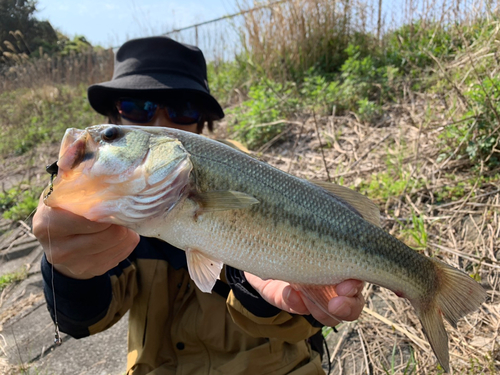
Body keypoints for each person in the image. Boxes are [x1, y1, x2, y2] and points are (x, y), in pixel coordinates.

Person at [32, 36, 365, 375]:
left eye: (181, 108)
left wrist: (255, 283)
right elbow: (86, 322)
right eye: (136, 108)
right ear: (113, 113)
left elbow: (304, 325)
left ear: (202, 122)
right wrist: (68, 270)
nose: (160, 124)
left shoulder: (260, 182)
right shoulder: (116, 210)